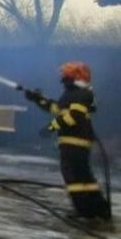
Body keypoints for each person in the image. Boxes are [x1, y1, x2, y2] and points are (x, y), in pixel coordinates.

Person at [23, 62, 111, 220]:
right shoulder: (72, 94)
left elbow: (74, 116)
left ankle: (84, 211)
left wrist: (51, 127)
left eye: (66, 75)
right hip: (73, 141)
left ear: (75, 76)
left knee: (72, 176)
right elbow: (57, 109)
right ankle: (99, 209)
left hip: (76, 141)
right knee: (83, 175)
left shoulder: (82, 93)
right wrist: (38, 99)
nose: (63, 78)